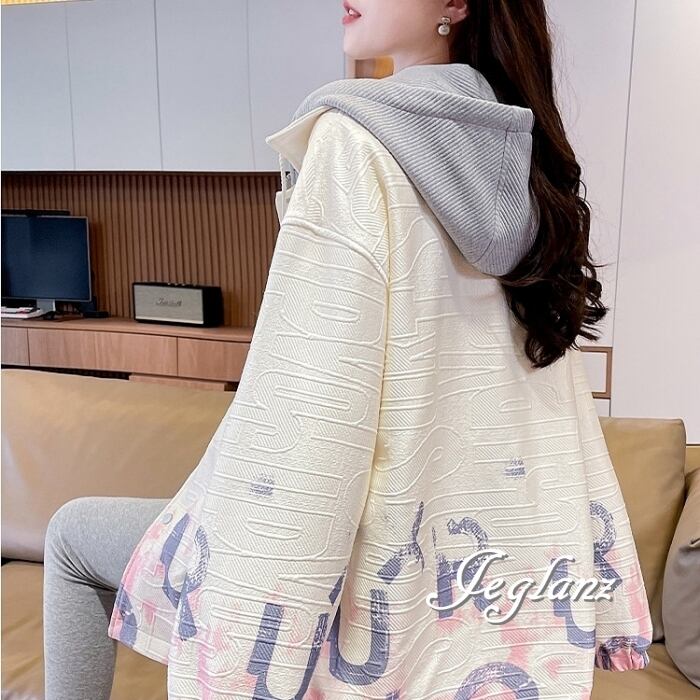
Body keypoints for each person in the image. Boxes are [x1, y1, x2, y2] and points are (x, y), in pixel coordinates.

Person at [43, 1, 654, 698]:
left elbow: (311, 407)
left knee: (70, 538)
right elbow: (556, 416)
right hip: (481, 580)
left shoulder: (354, 141)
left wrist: (259, 629)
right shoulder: (522, 160)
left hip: (373, 565)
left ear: (456, 4)